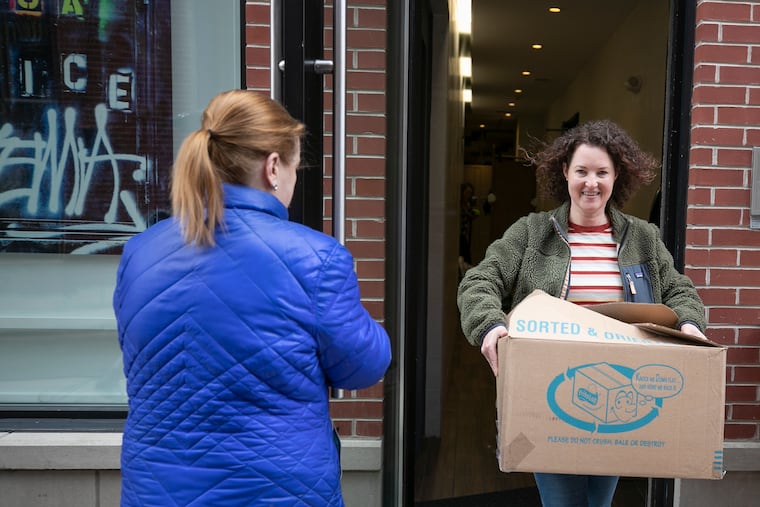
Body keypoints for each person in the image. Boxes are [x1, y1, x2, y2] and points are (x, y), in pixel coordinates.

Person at [113, 90, 391, 506]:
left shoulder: (140, 252)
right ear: (273, 167)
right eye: (297, 167)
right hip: (276, 491)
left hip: (157, 490)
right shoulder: (316, 258)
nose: (296, 180)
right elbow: (364, 365)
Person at [457, 119, 706, 507]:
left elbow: (679, 290)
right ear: (564, 173)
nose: (591, 183)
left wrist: (690, 325)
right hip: (548, 391)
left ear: (617, 175)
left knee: (599, 502)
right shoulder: (531, 232)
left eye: (602, 172)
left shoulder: (642, 237)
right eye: (582, 171)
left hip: (619, 392)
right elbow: (480, 281)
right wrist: (489, 325)